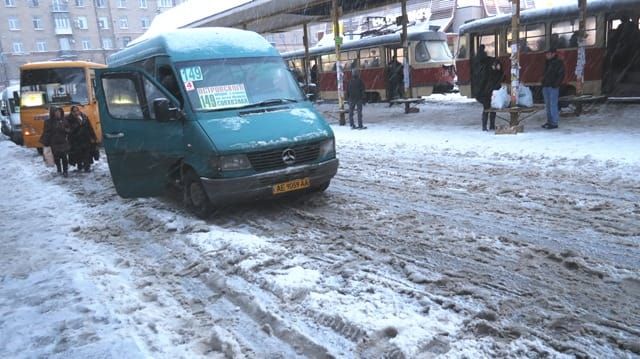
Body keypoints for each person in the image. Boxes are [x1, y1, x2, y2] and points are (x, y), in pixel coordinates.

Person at [40, 106, 71, 177]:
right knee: (57, 157)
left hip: (63, 141)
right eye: (56, 112)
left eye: (59, 112)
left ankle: (65, 171)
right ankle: (59, 169)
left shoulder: (64, 120)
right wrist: (46, 141)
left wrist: (65, 130)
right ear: (53, 113)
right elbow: (46, 132)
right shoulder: (48, 122)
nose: (58, 113)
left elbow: (68, 129)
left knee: (64, 157)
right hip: (54, 143)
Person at [67, 106, 97, 172]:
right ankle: (80, 166)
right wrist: (77, 126)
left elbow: (89, 127)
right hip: (76, 140)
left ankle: (87, 167)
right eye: (74, 111)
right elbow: (69, 130)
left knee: (87, 153)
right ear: (71, 112)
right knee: (78, 154)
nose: (76, 112)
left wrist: (93, 137)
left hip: (85, 138)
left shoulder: (84, 117)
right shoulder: (69, 119)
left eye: (77, 110)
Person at [477, 58, 504, 131]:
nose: (498, 67)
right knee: (486, 109)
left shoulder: (498, 73)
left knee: (492, 110)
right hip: (487, 94)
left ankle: (491, 125)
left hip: (493, 94)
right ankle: (484, 126)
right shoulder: (490, 73)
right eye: (497, 65)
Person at [541, 47, 565, 129]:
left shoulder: (558, 62)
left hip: (553, 87)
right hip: (546, 86)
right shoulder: (547, 62)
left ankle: (554, 122)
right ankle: (549, 121)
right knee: (548, 105)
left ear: (553, 54)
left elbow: (561, 74)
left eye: (548, 53)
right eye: (546, 54)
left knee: (553, 104)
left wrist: (556, 84)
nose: (546, 55)